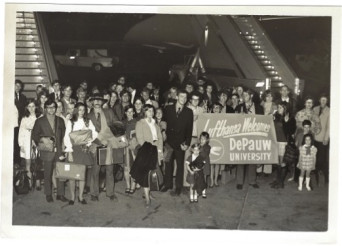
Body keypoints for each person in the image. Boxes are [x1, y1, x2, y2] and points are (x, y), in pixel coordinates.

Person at [31, 99, 68, 203]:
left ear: (56, 108)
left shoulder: (60, 120)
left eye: (53, 107)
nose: (51, 109)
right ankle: (48, 194)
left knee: (61, 173)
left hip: (59, 151)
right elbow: (34, 135)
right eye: (49, 107)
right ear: (45, 108)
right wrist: (44, 141)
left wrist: (63, 150)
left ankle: (60, 194)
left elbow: (64, 136)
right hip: (47, 152)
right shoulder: (40, 121)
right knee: (47, 173)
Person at [64, 102, 98, 205]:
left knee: (82, 175)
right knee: (72, 176)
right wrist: (69, 151)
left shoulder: (88, 121)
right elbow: (66, 137)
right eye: (79, 110)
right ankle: (72, 197)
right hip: (74, 150)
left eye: (83, 110)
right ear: (76, 110)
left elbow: (95, 133)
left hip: (83, 150)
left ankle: (81, 197)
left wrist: (88, 141)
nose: (81, 112)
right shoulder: (71, 122)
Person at [130, 104, 163, 207]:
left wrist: (159, 151)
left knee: (152, 173)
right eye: (149, 111)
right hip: (145, 151)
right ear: (144, 112)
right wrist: (150, 148)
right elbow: (140, 139)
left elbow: (160, 139)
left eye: (152, 111)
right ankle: (147, 198)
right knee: (145, 175)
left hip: (154, 150)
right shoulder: (140, 123)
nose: (151, 113)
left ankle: (148, 194)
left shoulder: (155, 124)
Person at [88, 93, 120, 201]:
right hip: (95, 144)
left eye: (99, 100)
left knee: (109, 170)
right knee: (95, 170)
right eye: (95, 100)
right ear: (91, 102)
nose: (97, 102)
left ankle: (110, 193)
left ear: (102, 102)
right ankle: (94, 193)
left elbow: (117, 125)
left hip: (109, 143)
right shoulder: (88, 116)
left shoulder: (109, 112)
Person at [162, 89, 193, 195]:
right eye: (181, 97)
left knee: (180, 166)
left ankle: (178, 186)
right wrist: (162, 132)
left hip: (181, 143)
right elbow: (163, 121)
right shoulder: (168, 108)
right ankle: (167, 184)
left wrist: (187, 143)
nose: (183, 99)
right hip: (169, 142)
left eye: (185, 97)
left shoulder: (189, 112)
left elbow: (190, 129)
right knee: (168, 164)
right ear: (177, 97)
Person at [235, 89, 264, 190]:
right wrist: (239, 117)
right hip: (242, 135)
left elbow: (262, 121)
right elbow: (234, 122)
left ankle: (252, 181)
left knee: (252, 158)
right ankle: (239, 181)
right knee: (241, 158)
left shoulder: (259, 108)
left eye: (246, 95)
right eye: (243, 95)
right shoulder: (239, 107)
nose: (244, 96)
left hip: (254, 135)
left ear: (251, 95)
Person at [269, 101, 296, 189]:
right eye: (278, 107)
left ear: (285, 109)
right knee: (277, 162)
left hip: (283, 142)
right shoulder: (276, 116)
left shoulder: (291, 118)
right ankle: (277, 180)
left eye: (280, 107)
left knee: (282, 162)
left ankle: (281, 183)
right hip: (275, 141)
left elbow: (291, 131)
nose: (278, 109)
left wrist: (286, 121)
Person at [18, 99, 41, 189]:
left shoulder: (39, 117)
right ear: (27, 108)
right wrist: (21, 145)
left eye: (33, 106)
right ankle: (30, 183)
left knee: (38, 163)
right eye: (29, 106)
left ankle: (38, 182)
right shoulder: (24, 118)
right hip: (27, 141)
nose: (31, 108)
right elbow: (21, 132)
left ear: (36, 107)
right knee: (28, 163)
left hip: (37, 141)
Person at [183, 91, 204, 187]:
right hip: (189, 138)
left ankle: (196, 182)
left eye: (197, 99)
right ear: (190, 100)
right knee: (188, 160)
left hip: (199, 139)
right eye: (193, 99)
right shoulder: (186, 109)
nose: (195, 101)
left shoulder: (201, 110)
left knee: (197, 161)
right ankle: (186, 183)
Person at [257, 90, 278, 177]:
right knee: (259, 147)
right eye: (267, 96)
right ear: (264, 97)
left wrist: (273, 116)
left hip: (270, 129)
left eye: (271, 96)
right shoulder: (260, 104)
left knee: (268, 148)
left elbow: (277, 117)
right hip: (260, 128)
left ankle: (267, 170)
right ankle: (258, 169)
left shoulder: (275, 106)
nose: (269, 98)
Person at [313, 94, 330, 185]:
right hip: (314, 137)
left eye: (325, 100)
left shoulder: (329, 111)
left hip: (323, 138)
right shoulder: (315, 109)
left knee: (322, 159)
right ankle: (316, 175)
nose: (323, 102)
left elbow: (329, 126)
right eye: (322, 100)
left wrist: (326, 138)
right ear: (319, 100)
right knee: (314, 157)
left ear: (327, 101)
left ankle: (325, 177)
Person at [122, 105, 138, 194]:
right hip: (125, 147)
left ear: (134, 112)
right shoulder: (123, 122)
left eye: (131, 111)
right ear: (125, 113)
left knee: (134, 167)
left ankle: (133, 186)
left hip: (134, 147)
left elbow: (139, 135)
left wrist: (132, 139)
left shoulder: (137, 122)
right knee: (126, 167)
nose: (129, 113)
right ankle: (128, 185)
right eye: (128, 111)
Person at [199, 131, 211, 198]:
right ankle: (199, 190)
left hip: (205, 164)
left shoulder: (208, 147)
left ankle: (203, 191)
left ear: (207, 140)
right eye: (201, 139)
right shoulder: (198, 146)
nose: (202, 140)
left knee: (204, 177)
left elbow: (204, 154)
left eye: (203, 139)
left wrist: (200, 149)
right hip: (199, 164)